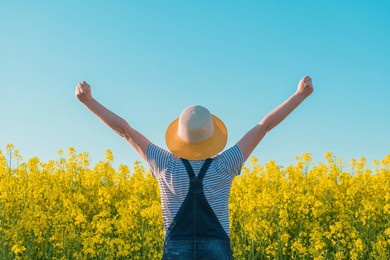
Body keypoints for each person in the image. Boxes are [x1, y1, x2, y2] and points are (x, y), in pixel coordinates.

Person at [75, 76, 314, 260]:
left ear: (179, 136)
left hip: (176, 247)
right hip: (217, 247)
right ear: (212, 136)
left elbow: (125, 131)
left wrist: (89, 101)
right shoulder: (225, 164)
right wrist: (299, 95)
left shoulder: (164, 163)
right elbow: (264, 127)